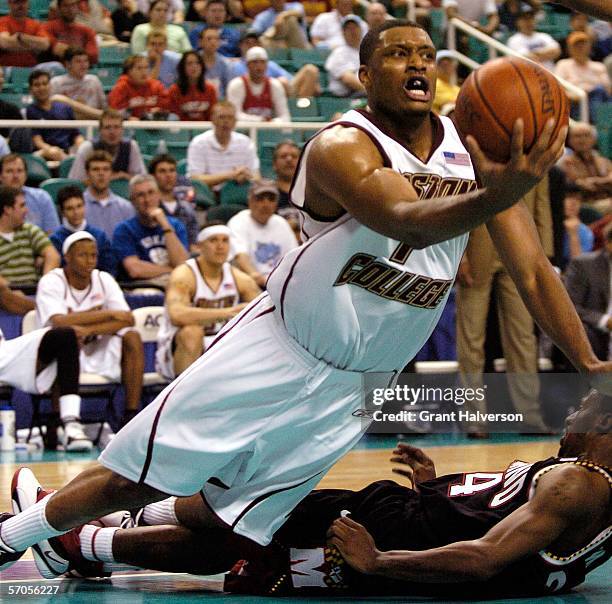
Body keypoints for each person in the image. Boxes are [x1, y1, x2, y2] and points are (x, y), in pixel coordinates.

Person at [1, 20, 611, 580]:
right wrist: (500, 193)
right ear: (366, 77)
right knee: (127, 479)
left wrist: (588, 362)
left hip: (359, 386)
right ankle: (14, 535)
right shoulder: (339, 146)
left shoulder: (470, 153)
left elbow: (533, 272)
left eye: (426, 54)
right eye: (398, 54)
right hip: (282, 349)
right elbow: (408, 220)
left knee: (229, 535)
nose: (416, 64)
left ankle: (74, 544)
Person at [14, 389, 612, 598]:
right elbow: (506, 538)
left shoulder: (577, 482)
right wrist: (440, 491)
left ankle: (74, 527)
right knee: (240, 549)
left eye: (582, 407)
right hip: (407, 526)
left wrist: (380, 561)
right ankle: (85, 543)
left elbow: (486, 561)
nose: (569, 413)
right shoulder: (588, 489)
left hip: (390, 539)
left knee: (241, 514)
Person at [36, 231, 144, 430]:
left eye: (93, 255)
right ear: (67, 257)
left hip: (96, 346)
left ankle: (130, 416)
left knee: (132, 336)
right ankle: (59, 419)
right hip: (56, 355)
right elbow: (59, 322)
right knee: (67, 339)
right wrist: (105, 314)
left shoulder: (103, 279)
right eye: (82, 255)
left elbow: (127, 318)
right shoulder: (51, 281)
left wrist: (85, 329)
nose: (89, 261)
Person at [156, 223, 260, 379]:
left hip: (222, 346)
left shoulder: (239, 277)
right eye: (213, 240)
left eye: (225, 240)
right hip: (181, 348)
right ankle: (183, 396)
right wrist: (228, 313)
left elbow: (265, 310)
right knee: (192, 332)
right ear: (199, 247)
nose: (220, 246)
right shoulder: (184, 274)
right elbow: (176, 315)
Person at [112, 174, 189, 285]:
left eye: (151, 193)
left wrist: (165, 226)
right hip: (144, 286)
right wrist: (172, 271)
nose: (147, 200)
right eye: (141, 195)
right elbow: (135, 270)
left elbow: (182, 264)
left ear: (159, 196)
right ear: (132, 201)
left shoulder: (175, 225)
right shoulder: (124, 229)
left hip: (176, 283)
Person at [227, 179, 298, 279]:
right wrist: (257, 277)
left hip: (280, 282)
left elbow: (293, 259)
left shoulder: (281, 223)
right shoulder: (238, 222)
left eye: (271, 199)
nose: (266, 204)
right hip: (252, 281)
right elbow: (240, 257)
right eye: (260, 198)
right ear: (250, 200)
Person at [187, 100, 260, 191]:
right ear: (213, 120)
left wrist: (245, 176)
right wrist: (231, 175)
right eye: (221, 117)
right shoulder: (198, 143)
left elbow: (256, 177)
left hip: (239, 194)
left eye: (230, 118)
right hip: (208, 196)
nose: (226, 121)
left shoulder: (246, 143)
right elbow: (195, 179)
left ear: (235, 121)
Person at [564, 223, 612, 361]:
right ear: (608, 243)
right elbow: (570, 308)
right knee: (583, 334)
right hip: (597, 331)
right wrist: (605, 321)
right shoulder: (584, 265)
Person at [229, 29, 320, 99]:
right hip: (258, 97)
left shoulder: (270, 64)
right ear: (240, 46)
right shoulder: (236, 66)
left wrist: (311, 82)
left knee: (310, 70)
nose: (252, 46)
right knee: (281, 82)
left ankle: (300, 109)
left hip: (280, 95)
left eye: (255, 42)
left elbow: (289, 81)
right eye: (247, 43)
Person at [0, 185, 59, 285]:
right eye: (22, 205)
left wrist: (45, 284)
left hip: (34, 291)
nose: (26, 210)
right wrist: (10, 293)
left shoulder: (29, 230)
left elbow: (52, 255)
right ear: (8, 209)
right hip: (5, 295)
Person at [50, 185, 116, 274]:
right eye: (70, 208)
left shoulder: (100, 236)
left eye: (79, 206)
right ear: (62, 212)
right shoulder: (55, 239)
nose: (76, 212)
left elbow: (110, 270)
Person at [69, 109, 147, 183]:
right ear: (100, 130)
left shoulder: (131, 146)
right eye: (107, 127)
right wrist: (112, 177)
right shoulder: (87, 148)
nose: (112, 132)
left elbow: (142, 179)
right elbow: (76, 182)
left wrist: (125, 175)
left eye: (116, 127)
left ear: (122, 130)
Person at [26, 70, 84, 162]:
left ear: (50, 86)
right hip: (43, 153)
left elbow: (76, 134)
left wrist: (82, 146)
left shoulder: (65, 107)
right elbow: (37, 140)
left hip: (66, 151)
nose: (41, 88)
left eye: (45, 84)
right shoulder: (31, 110)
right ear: (31, 89)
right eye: (37, 85)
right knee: (54, 152)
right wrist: (52, 150)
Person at [555, 30, 611, 123]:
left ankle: (600, 125)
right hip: (575, 102)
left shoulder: (598, 66)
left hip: (597, 98)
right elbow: (558, 88)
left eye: (583, 44)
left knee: (599, 91)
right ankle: (597, 125)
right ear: (569, 48)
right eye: (576, 45)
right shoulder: (563, 64)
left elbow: (608, 90)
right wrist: (578, 95)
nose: (580, 48)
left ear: (589, 47)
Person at [558, 121, 612, 214]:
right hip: (583, 206)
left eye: (586, 135)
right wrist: (604, 182)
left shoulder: (603, 161)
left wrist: (594, 181)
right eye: (577, 136)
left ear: (594, 139)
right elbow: (575, 186)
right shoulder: (565, 163)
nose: (582, 140)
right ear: (570, 140)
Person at [226, 46, 291, 122]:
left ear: (267, 65)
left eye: (262, 62)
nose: (259, 66)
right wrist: (261, 120)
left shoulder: (275, 85)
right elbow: (234, 115)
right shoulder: (237, 85)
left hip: (268, 131)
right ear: (247, 65)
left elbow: (285, 117)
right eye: (255, 62)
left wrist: (271, 123)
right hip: (243, 131)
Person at [0, 153, 60, 234]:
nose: (15, 176)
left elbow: (52, 233)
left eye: (19, 171)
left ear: (26, 174)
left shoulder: (42, 197)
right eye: (9, 171)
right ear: (0, 176)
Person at [149, 154, 199, 250]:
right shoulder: (149, 209)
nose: (168, 175)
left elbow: (193, 243)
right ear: (153, 176)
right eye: (162, 171)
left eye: (172, 170)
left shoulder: (187, 208)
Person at [82, 150, 135, 239]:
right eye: (96, 169)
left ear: (112, 174)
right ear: (87, 174)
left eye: (106, 169)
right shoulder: (78, 206)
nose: (101, 174)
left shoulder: (126, 207)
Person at [50, 46, 106, 120]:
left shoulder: (94, 81)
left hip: (92, 123)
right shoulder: (56, 82)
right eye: (78, 61)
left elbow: (104, 107)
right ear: (68, 64)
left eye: (86, 61)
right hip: (66, 125)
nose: (83, 65)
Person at [108, 55, 169, 120]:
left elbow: (167, 106)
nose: (144, 72)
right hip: (129, 126)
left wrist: (160, 110)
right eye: (139, 68)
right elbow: (114, 112)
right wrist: (127, 118)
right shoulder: (121, 87)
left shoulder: (157, 86)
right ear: (129, 71)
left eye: (146, 67)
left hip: (155, 124)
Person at [507, 5, 561, 71]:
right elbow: (525, 59)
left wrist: (534, 54)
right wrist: (545, 54)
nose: (528, 21)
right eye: (524, 19)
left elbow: (557, 51)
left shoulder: (544, 36)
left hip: (550, 74)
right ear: (518, 22)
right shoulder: (514, 40)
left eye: (530, 18)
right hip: (528, 76)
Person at [167, 50, 218, 121]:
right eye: (189, 63)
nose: (194, 66)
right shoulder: (174, 90)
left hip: (205, 129)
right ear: (183, 68)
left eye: (197, 63)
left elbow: (212, 116)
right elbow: (174, 118)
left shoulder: (210, 89)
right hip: (182, 130)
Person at [43, 0, 99, 65]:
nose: (70, 9)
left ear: (77, 8)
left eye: (73, 5)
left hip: (80, 70)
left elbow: (93, 56)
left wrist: (67, 50)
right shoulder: (47, 27)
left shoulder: (86, 31)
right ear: (59, 8)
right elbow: (54, 47)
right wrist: (81, 53)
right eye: (66, 6)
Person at [0, 0, 53, 67]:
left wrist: (20, 37)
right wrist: (33, 45)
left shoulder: (35, 24)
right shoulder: (2, 21)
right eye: (16, 2)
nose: (20, 6)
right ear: (9, 4)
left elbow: (45, 44)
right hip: (6, 68)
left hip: (32, 69)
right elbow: (5, 43)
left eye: (23, 2)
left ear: (28, 3)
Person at [325, 15, 367, 98]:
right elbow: (348, 80)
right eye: (348, 28)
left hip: (362, 94)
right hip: (345, 97)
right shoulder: (339, 53)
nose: (352, 31)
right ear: (343, 33)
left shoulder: (366, 52)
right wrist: (374, 94)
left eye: (355, 27)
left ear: (361, 30)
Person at [562, 187, 595, 265]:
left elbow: (579, 267)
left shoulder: (585, 231)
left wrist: (573, 234)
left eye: (578, 199)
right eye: (568, 197)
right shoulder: (546, 226)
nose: (574, 203)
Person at [198, 26, 232, 98]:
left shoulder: (225, 63)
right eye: (209, 39)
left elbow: (228, 89)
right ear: (200, 42)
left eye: (216, 39)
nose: (213, 42)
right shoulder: (194, 61)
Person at [272, 139, 299, 210]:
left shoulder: (311, 195)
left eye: (294, 156)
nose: (289, 159)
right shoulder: (267, 194)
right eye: (283, 156)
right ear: (274, 164)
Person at [432, 50, 460, 114]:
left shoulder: (456, 89)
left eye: (449, 64)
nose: (446, 68)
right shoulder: (433, 85)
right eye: (443, 65)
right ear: (436, 67)